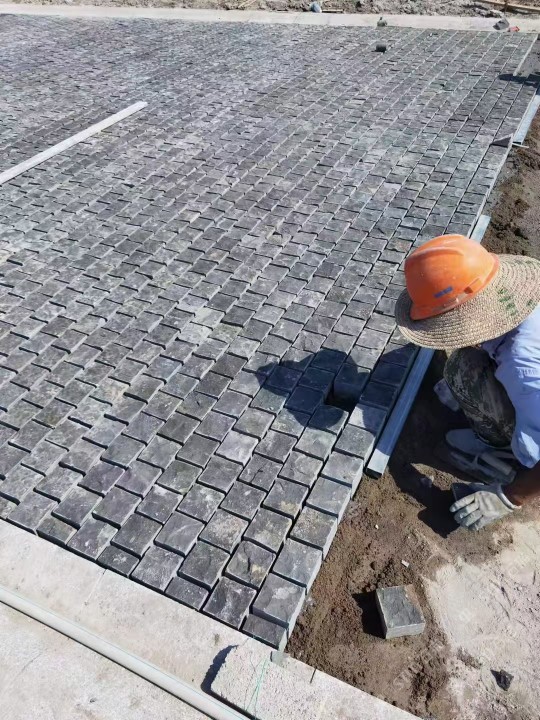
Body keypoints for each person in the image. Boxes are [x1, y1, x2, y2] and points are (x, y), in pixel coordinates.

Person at [394, 234, 540, 531]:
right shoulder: (526, 302)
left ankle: (508, 456)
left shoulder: (523, 366)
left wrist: (511, 497)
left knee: (463, 368)